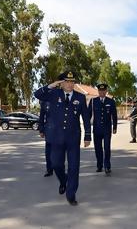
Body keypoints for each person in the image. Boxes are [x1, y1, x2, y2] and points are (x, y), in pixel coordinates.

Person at [34, 71, 91, 206]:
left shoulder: (80, 97)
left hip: (73, 137)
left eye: (72, 82)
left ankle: (71, 194)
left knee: (74, 167)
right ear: (61, 83)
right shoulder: (53, 94)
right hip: (56, 138)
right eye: (67, 81)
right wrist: (52, 85)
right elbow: (37, 94)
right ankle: (63, 181)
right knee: (56, 164)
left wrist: (87, 135)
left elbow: (86, 119)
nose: (70, 84)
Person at [88, 83, 117, 175]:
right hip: (96, 129)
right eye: (100, 91)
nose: (102, 92)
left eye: (103, 91)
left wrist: (115, 127)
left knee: (107, 148)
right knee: (98, 149)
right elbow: (88, 115)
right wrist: (87, 127)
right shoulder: (93, 101)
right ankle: (99, 166)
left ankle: (107, 166)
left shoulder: (111, 101)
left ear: (106, 91)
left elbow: (114, 116)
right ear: (98, 91)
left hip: (107, 129)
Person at [39, 100, 53, 177]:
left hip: (60, 131)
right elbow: (41, 117)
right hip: (49, 131)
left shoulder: (62, 99)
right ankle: (49, 169)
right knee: (48, 152)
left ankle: (59, 168)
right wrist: (41, 130)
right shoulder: (45, 103)